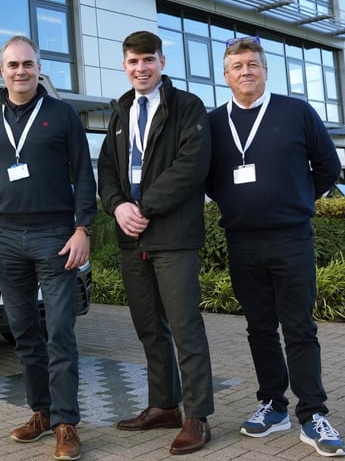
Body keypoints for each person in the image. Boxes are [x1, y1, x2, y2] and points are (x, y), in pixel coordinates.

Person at [205, 36, 345, 457]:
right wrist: (234, 201)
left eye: (252, 64)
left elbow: (328, 167)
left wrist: (297, 199)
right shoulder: (213, 123)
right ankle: (273, 404)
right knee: (259, 328)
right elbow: (208, 178)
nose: (245, 71)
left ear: (265, 70)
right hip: (242, 241)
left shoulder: (296, 112)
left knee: (300, 328)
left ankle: (313, 415)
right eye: (237, 66)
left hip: (291, 238)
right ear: (225, 76)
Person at [0, 35, 97, 461]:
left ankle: (66, 424)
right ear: (1, 71)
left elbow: (84, 174)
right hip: (5, 238)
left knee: (59, 330)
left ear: (40, 68)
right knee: (23, 331)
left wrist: (82, 228)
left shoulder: (63, 115)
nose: (20, 71)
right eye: (12, 65)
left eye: (28, 64)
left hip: (55, 237)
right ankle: (40, 412)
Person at [96, 30, 214, 455]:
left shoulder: (187, 107)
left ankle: (197, 417)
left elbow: (192, 166)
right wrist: (116, 206)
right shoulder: (121, 109)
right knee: (149, 328)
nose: (140, 68)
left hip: (173, 235)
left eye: (148, 60)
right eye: (132, 62)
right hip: (132, 235)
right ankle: (164, 405)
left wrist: (143, 205)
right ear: (124, 66)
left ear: (162, 62)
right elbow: (107, 168)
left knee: (185, 328)